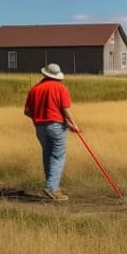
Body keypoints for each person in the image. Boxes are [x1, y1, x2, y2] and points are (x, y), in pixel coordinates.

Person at [23, 63, 80, 201]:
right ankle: (51, 188)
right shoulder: (60, 87)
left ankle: (52, 186)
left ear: (45, 74)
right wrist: (74, 124)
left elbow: (28, 112)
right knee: (58, 156)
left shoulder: (34, 89)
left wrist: (38, 120)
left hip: (40, 127)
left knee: (48, 155)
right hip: (56, 127)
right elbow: (65, 109)